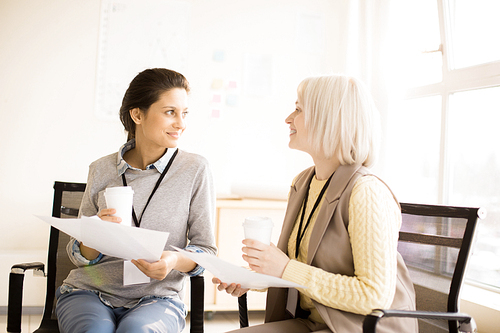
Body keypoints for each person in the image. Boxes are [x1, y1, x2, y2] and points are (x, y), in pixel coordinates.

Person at [213, 74, 417, 333]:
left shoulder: (367, 192)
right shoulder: (304, 183)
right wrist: (252, 279)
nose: (288, 118)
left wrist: (284, 267)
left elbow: (373, 296)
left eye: (298, 109)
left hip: (359, 327)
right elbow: (298, 266)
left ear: (329, 120)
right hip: (315, 322)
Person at [56, 68, 217, 333]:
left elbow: (205, 250)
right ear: (137, 114)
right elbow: (79, 255)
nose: (181, 123)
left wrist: (172, 262)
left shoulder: (195, 169)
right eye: (170, 112)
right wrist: (93, 236)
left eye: (184, 113)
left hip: (158, 297)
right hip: (88, 292)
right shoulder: (101, 169)